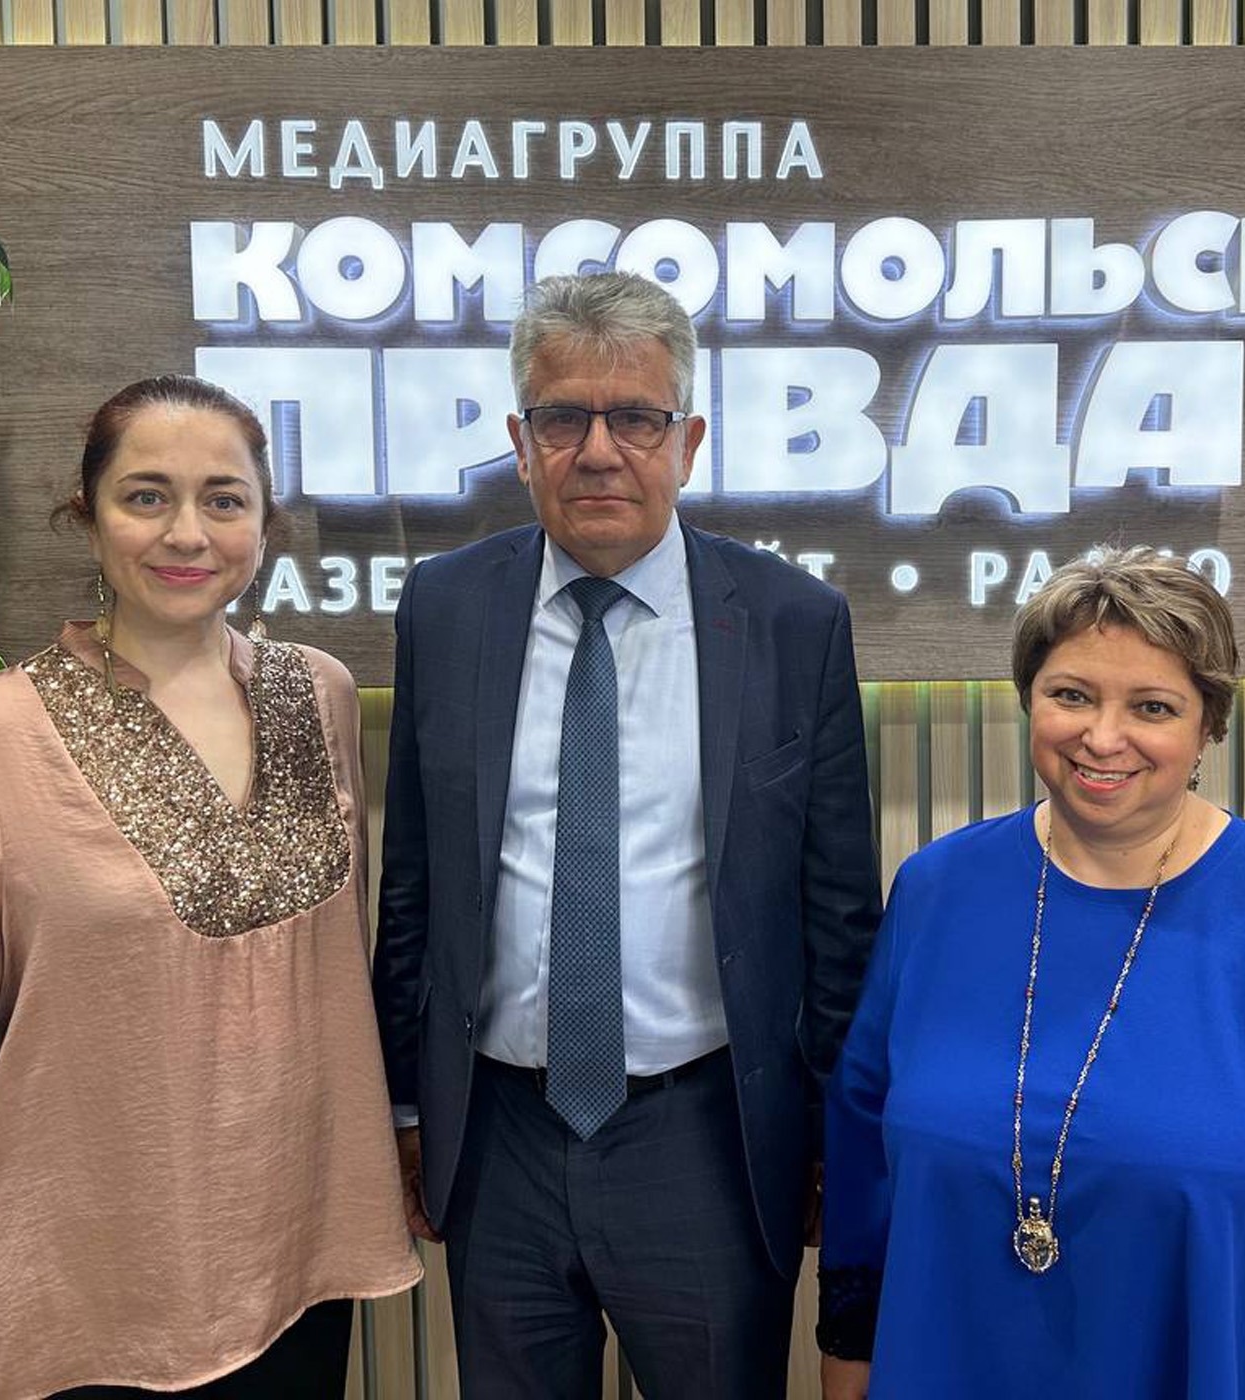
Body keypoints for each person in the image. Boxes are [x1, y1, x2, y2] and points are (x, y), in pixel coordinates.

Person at [372, 270, 882, 1398]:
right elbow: (414, 882)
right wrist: (407, 1104)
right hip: (499, 1131)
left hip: (707, 1136)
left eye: (636, 419)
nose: (598, 452)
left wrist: (835, 1138)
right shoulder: (444, 606)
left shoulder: (793, 622)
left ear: (687, 442)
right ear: (520, 443)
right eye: (563, 418)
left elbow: (838, 909)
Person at [0, 375, 421, 1400]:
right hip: (85, 1297)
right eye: (146, 495)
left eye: (223, 499)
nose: (186, 532)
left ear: (262, 526)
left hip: (301, 1269)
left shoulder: (316, 693)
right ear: (89, 514)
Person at [819, 545, 1245, 1400]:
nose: (1102, 737)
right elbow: (864, 1143)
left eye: (1152, 706)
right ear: (1029, 699)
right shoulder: (937, 889)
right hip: (947, 1361)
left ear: (1208, 726)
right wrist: (848, 1348)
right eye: (1071, 695)